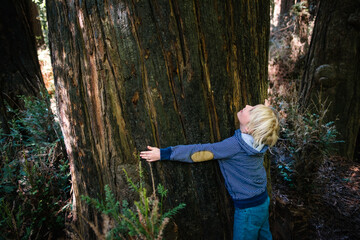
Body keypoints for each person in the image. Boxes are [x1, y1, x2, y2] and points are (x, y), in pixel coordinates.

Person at [140, 104, 280, 240]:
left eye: (252, 110)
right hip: (262, 200)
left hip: (248, 210)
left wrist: (164, 154)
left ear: (249, 128)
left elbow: (199, 152)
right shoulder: (261, 143)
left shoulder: (234, 146)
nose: (248, 105)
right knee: (265, 236)